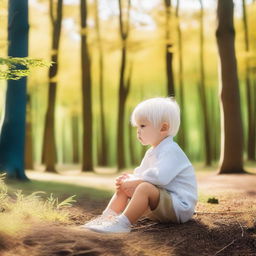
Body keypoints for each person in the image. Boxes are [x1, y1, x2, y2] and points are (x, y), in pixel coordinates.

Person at [81, 97, 198, 233]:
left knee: (144, 188)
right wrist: (130, 180)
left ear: (163, 128)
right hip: (163, 203)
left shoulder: (171, 150)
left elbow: (160, 177)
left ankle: (123, 224)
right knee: (126, 187)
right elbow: (143, 173)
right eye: (137, 126)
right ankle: (107, 217)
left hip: (179, 206)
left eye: (143, 126)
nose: (138, 131)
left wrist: (135, 181)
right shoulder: (152, 151)